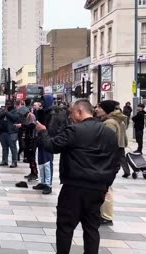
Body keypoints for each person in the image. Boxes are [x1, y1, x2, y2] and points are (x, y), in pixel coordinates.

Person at [36, 99, 118, 254]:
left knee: (65, 227)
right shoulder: (109, 133)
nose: (70, 116)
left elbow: (52, 146)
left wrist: (42, 131)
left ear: (80, 111)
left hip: (74, 187)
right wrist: (106, 183)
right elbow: (116, 161)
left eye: (72, 112)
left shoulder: (75, 130)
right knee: (92, 228)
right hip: (98, 188)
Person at [95, 100, 127, 226]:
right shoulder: (117, 121)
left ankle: (106, 216)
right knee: (106, 187)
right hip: (115, 156)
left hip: (110, 158)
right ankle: (105, 214)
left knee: (106, 188)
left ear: (105, 109)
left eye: (99, 107)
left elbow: (106, 143)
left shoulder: (110, 123)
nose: (96, 109)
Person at [34, 95, 68, 194]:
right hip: (41, 139)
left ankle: (48, 184)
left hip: (48, 139)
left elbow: (51, 129)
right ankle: (43, 181)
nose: (41, 103)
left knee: (47, 162)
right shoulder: (44, 111)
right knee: (41, 162)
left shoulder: (53, 113)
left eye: (43, 101)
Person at [16, 107, 38, 181]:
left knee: (32, 157)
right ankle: (32, 172)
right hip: (29, 138)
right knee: (29, 157)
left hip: (32, 139)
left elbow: (32, 126)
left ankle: (34, 173)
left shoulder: (31, 116)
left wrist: (22, 126)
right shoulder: (28, 116)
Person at [0, 100, 20, 168]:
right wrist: (4, 112)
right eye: (7, 104)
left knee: (13, 147)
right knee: (4, 147)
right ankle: (4, 161)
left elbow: (14, 118)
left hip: (11, 132)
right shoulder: (4, 110)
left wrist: (7, 113)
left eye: (9, 104)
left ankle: (14, 162)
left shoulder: (15, 111)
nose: (7, 105)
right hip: (3, 132)